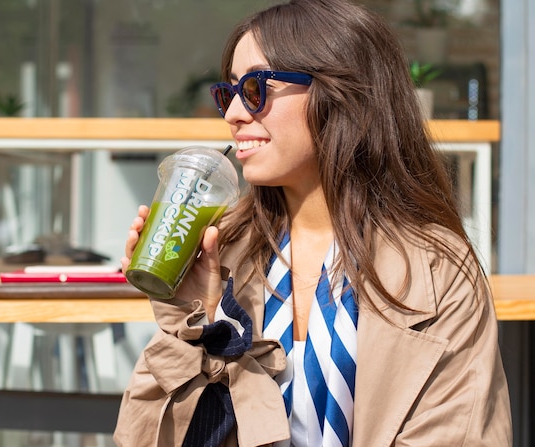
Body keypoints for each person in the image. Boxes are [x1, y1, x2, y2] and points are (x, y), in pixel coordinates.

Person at [114, 0, 512, 445]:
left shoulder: (436, 271)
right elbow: (149, 435)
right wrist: (199, 323)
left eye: (255, 88)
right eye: (228, 94)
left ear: (343, 93)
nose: (232, 115)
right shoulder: (224, 253)